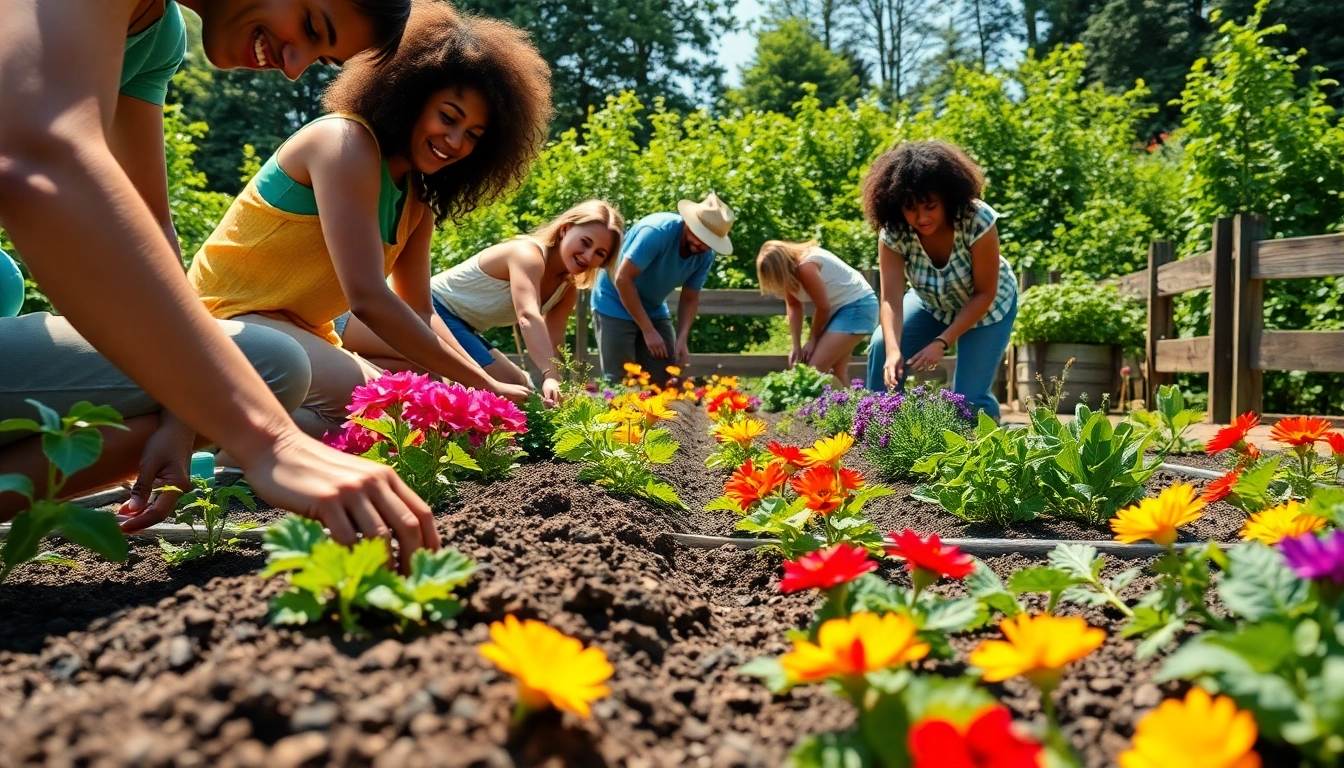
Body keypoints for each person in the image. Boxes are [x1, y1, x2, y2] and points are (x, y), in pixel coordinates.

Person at [0, 0, 444, 567]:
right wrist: (268, 443)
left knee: (262, 371)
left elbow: (149, 222)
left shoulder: (157, 37)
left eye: (319, 57)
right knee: (259, 372)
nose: (292, 66)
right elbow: (41, 162)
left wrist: (185, 416)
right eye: (309, 27)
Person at [188, 5, 552, 440]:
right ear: (410, 97)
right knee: (380, 410)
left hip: (303, 332)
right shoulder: (342, 142)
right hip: (226, 318)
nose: (455, 142)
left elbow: (420, 309)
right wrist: (486, 385)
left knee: (403, 409)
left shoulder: (416, 201)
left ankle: (234, 444)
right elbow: (367, 299)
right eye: (448, 117)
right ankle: (207, 443)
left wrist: (478, 388)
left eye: (473, 135)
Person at [341, 201, 624, 406]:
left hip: (464, 325)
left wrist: (558, 381)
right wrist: (549, 376)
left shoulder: (566, 289)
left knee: (522, 384)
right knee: (503, 389)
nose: (588, 256)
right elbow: (528, 316)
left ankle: (362, 364)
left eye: (599, 253)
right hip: (434, 307)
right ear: (564, 230)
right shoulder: (527, 254)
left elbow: (554, 342)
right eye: (585, 242)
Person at [862, 140, 1018, 421]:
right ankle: (879, 433)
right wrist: (893, 351)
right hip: (931, 303)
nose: (921, 217)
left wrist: (942, 342)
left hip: (987, 307)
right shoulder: (894, 233)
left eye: (930, 206)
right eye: (910, 209)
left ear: (947, 197)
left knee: (969, 400)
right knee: (882, 346)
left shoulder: (977, 219)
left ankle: (994, 447)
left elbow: (984, 294)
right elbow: (890, 299)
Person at [589, 193, 736, 382]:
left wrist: (682, 339)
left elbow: (690, 297)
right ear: (687, 222)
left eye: (708, 242)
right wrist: (648, 330)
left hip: (653, 307)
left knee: (667, 373)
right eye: (699, 235)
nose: (701, 244)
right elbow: (623, 279)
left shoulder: (705, 256)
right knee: (621, 379)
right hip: (613, 301)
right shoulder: (656, 232)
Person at [755, 240, 878, 384]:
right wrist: (796, 346)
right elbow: (794, 305)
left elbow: (823, 307)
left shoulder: (806, 267)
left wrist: (812, 340)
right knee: (837, 371)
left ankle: (824, 405)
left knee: (815, 368)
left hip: (858, 306)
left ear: (781, 266)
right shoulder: (790, 272)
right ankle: (848, 405)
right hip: (841, 309)